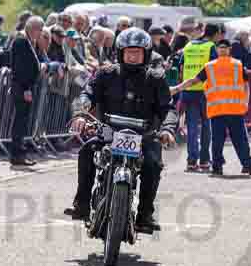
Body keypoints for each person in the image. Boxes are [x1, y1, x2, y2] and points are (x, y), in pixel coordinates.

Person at [64, 27, 177, 230]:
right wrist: (81, 113)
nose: (133, 57)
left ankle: (145, 214)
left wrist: (167, 128)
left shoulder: (156, 79)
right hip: (108, 131)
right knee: (87, 151)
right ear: (120, 53)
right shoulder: (106, 74)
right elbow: (86, 94)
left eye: (137, 53)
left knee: (153, 163)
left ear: (146, 54)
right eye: (129, 52)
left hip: (144, 135)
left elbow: (168, 108)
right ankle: (81, 204)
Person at [170, 39, 251, 176]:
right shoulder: (227, 65)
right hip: (228, 110)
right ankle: (238, 166)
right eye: (221, 47)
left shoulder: (227, 65)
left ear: (228, 49)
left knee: (227, 140)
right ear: (218, 50)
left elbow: (194, 81)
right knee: (232, 140)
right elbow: (194, 80)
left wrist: (177, 89)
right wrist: (176, 89)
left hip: (224, 110)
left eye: (224, 47)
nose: (222, 50)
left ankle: (233, 166)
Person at [177, 23, 222, 171]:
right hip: (205, 91)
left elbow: (181, 68)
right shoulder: (210, 47)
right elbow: (214, 69)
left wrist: (182, 88)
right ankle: (204, 160)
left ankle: (191, 161)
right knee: (206, 126)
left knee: (191, 127)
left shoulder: (188, 45)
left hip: (188, 90)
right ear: (215, 34)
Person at [9, 16, 45, 166]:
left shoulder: (28, 42)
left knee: (23, 121)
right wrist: (26, 88)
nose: (41, 33)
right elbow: (21, 68)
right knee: (20, 121)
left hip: (25, 87)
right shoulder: (21, 42)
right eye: (40, 30)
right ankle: (17, 154)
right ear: (33, 29)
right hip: (22, 87)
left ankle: (20, 153)